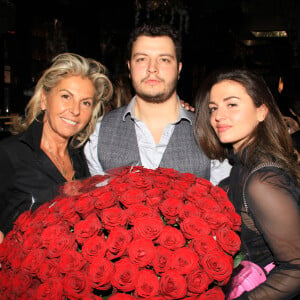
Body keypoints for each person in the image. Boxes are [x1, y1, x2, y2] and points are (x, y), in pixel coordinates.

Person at [194, 68, 300, 299]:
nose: (218, 116)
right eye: (213, 108)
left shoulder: (262, 182)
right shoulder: (242, 166)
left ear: (261, 112)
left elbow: (296, 267)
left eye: (231, 104)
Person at [84, 23, 231, 184]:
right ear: (129, 68)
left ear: (179, 69)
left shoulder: (211, 132)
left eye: (164, 60)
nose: (152, 68)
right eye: (141, 59)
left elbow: (223, 201)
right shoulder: (99, 131)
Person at [0, 52, 113, 240]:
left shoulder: (82, 158)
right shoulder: (10, 154)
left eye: (85, 103)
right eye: (66, 96)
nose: (75, 110)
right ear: (44, 99)